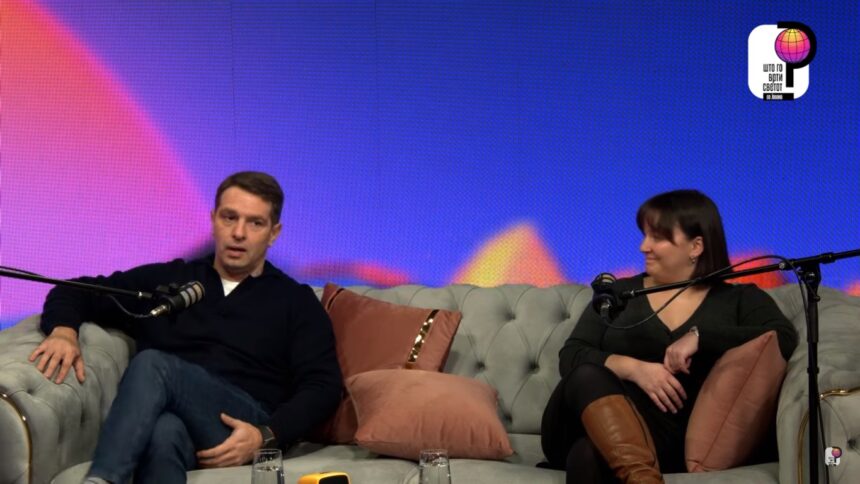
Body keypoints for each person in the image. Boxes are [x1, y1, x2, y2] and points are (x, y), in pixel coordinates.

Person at [28, 171, 343, 484]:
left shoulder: (295, 301)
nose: (239, 233)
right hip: (180, 423)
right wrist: (64, 331)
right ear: (213, 219)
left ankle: (103, 479)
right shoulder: (167, 281)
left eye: (255, 223)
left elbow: (323, 385)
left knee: (154, 364)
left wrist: (266, 434)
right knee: (163, 433)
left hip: (243, 422)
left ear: (274, 233)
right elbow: (74, 291)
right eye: (229, 218)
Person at [540, 189, 797, 484]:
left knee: (587, 455)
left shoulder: (739, 299)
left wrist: (701, 336)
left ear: (696, 246)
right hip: (578, 422)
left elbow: (782, 337)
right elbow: (571, 356)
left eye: (658, 237)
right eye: (644, 235)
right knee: (586, 375)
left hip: (666, 439)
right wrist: (636, 370)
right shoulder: (618, 294)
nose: (644, 247)